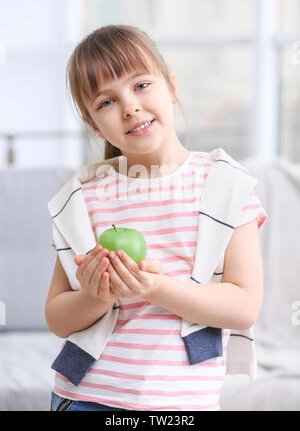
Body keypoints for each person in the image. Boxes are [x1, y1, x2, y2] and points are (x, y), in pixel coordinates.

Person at [45, 24, 268, 412]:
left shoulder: (226, 188)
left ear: (172, 86)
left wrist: (155, 288)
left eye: (141, 85)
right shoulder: (85, 197)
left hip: (182, 405)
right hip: (86, 398)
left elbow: (244, 306)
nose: (130, 106)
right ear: (94, 125)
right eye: (106, 102)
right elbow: (58, 318)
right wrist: (96, 295)